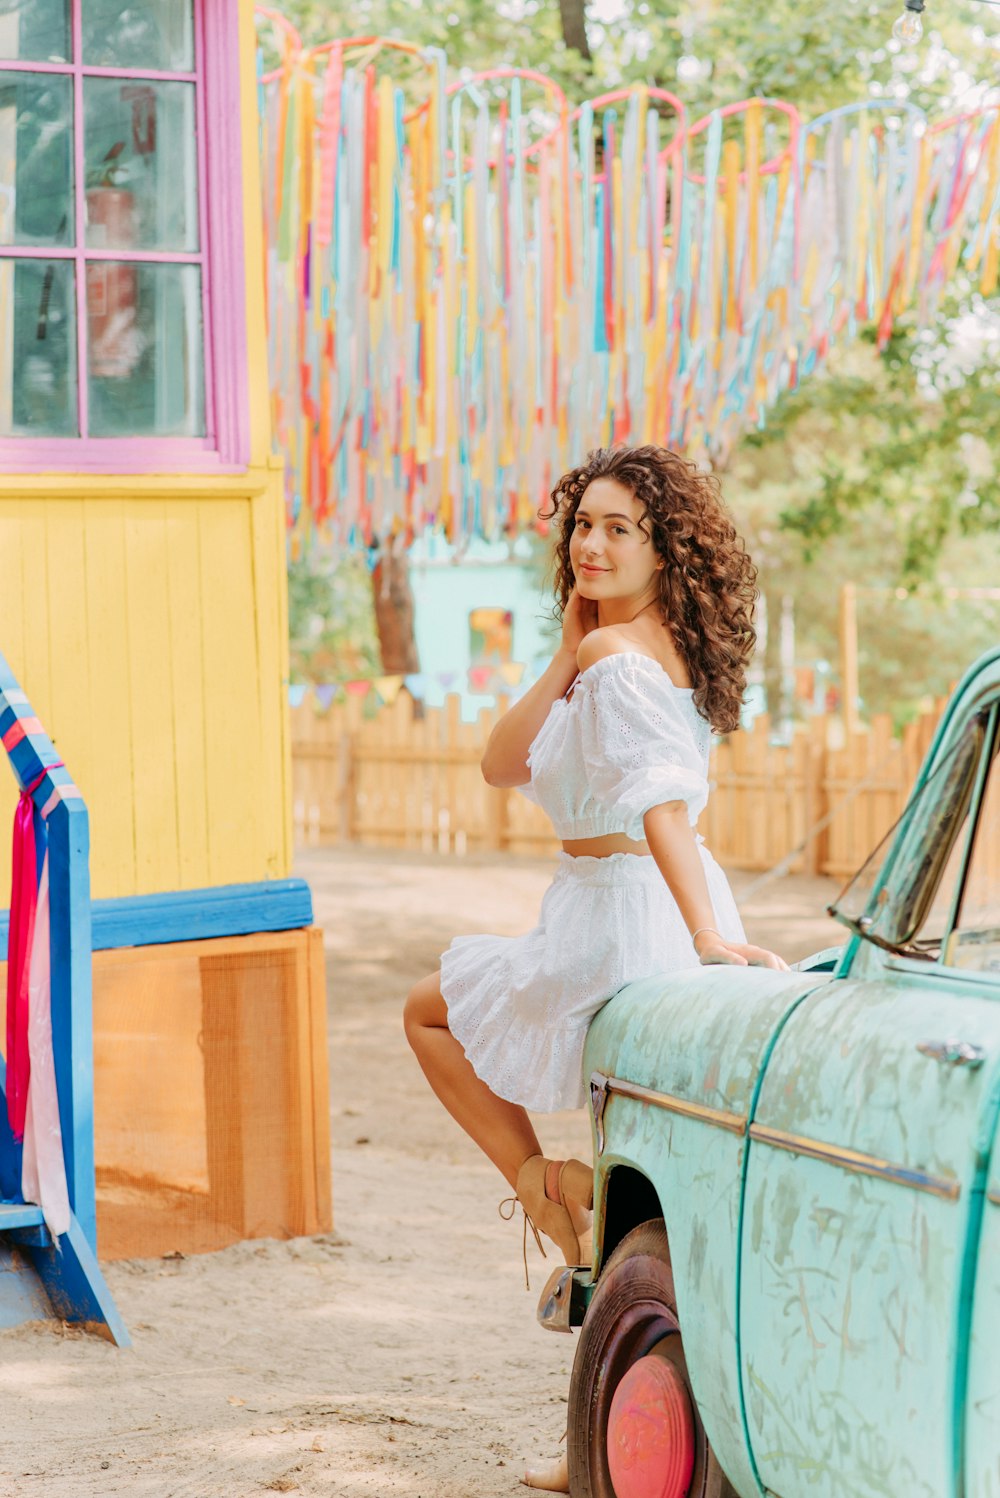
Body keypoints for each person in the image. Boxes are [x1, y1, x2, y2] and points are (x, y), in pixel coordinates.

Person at [403, 444, 787, 1490]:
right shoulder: (619, 650)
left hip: (621, 914)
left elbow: (661, 800)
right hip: (618, 904)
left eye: (620, 527)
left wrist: (705, 935)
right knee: (650, 1192)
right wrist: (566, 653)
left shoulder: (622, 657)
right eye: (584, 524)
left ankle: (550, 1194)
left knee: (430, 1018)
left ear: (666, 550)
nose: (592, 542)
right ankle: (601, 1369)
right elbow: (497, 763)